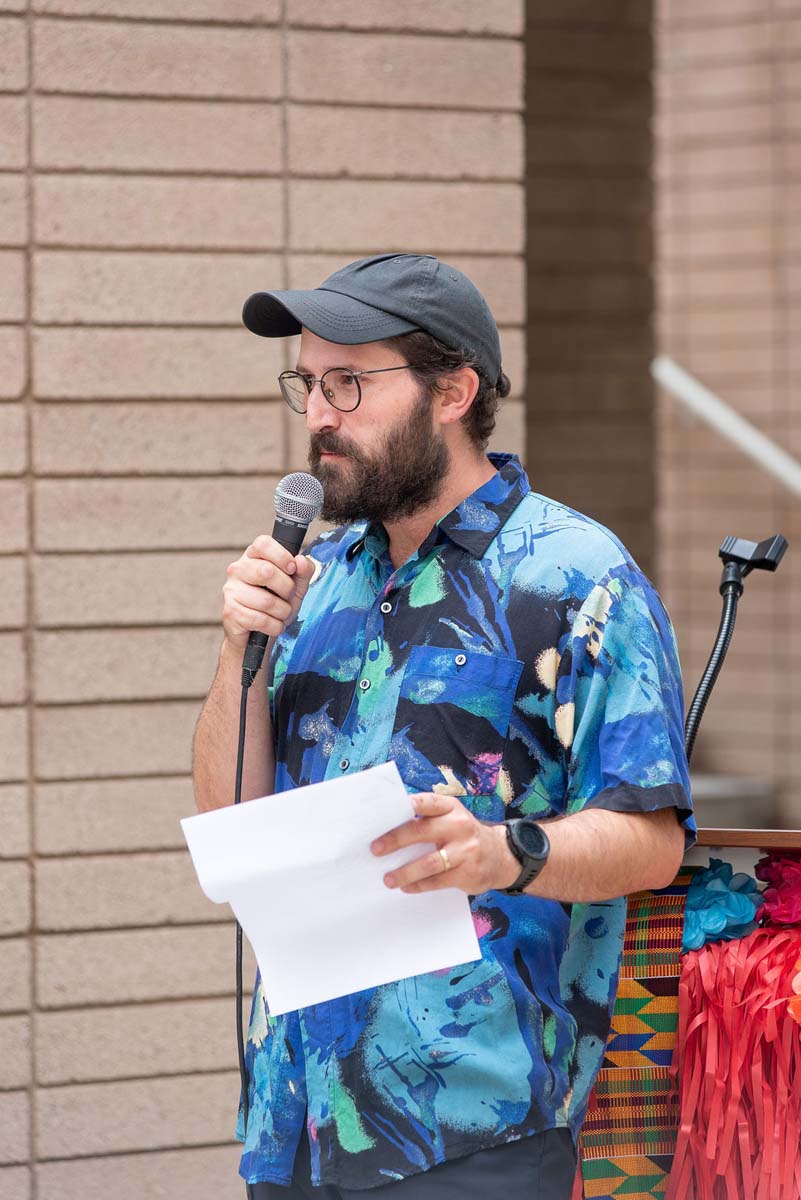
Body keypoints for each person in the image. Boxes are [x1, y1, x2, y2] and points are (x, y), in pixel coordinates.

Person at [192, 253, 694, 1200]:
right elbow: (230, 816)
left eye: (349, 382)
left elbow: (652, 837)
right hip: (294, 1114)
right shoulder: (323, 575)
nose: (319, 416)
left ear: (453, 391)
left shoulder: (574, 575)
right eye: (308, 381)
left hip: (471, 1128)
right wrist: (236, 655)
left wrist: (499, 852)